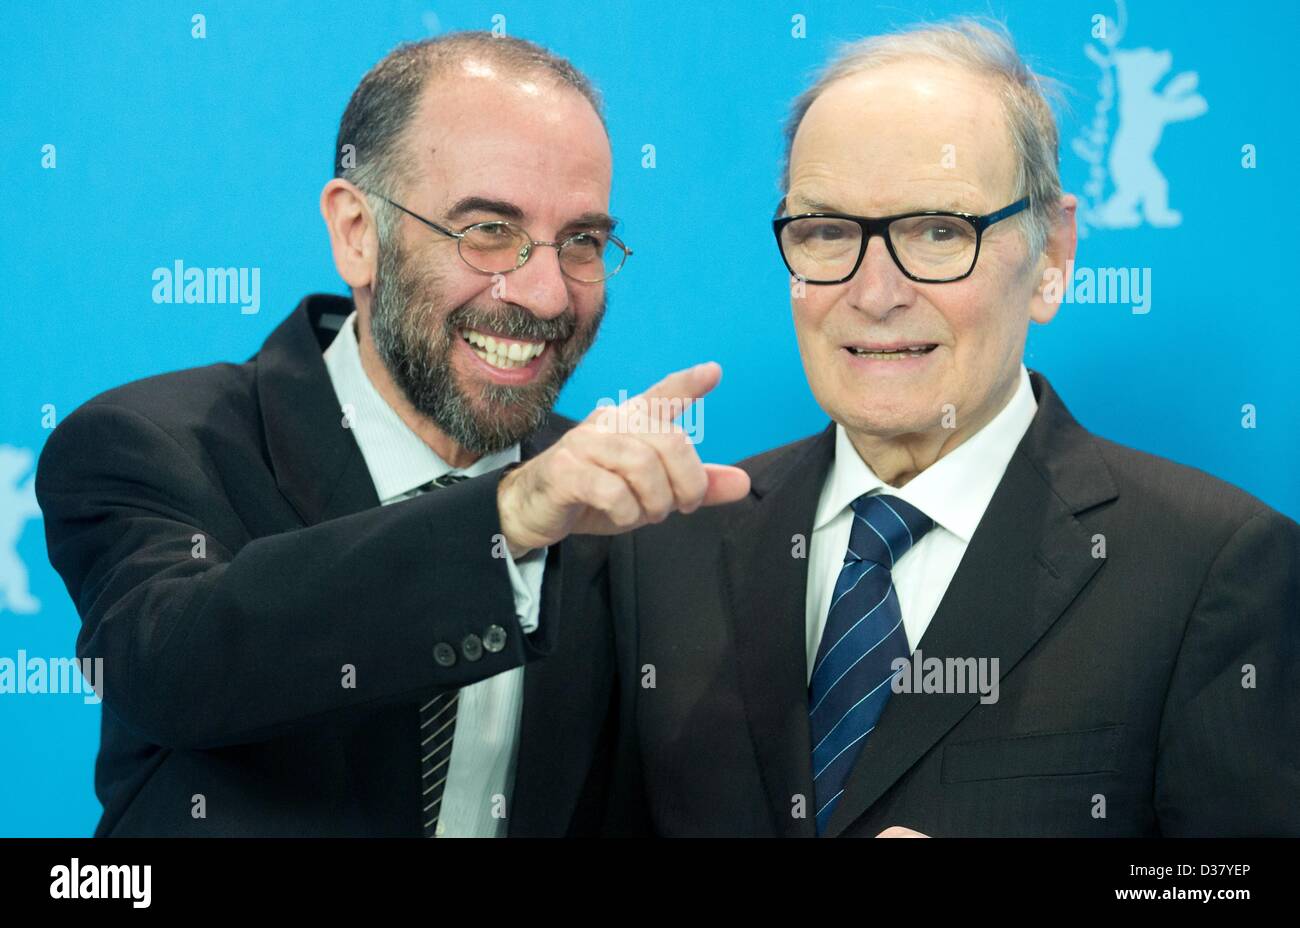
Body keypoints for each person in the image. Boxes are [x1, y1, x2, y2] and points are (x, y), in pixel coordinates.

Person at [36, 31, 747, 837]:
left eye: (581, 241)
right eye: (486, 229)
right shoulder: (149, 444)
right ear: (356, 232)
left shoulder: (615, 506)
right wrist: (503, 519)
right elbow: (173, 668)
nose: (547, 294)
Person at [604, 18, 1300, 837]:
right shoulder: (664, 548)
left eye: (940, 231)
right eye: (828, 231)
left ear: (1052, 257)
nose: (875, 291)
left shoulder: (1215, 568)